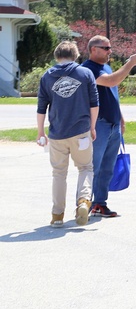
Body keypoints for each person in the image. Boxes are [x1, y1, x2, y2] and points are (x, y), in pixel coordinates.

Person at [36, 41, 99, 227]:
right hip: (81, 132)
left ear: (56, 56)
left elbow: (41, 107)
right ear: (75, 55)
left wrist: (41, 131)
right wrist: (93, 127)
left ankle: (57, 215)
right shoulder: (85, 73)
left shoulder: (47, 77)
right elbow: (94, 104)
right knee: (86, 167)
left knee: (58, 173)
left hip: (57, 134)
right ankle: (83, 201)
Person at [82, 36, 136, 219]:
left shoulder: (105, 67)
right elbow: (111, 81)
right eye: (106, 48)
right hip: (98, 124)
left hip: (113, 123)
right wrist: (131, 64)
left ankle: (100, 203)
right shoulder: (87, 69)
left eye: (110, 47)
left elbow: (112, 93)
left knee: (107, 167)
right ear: (94, 49)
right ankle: (84, 203)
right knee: (94, 166)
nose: (110, 51)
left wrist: (121, 118)